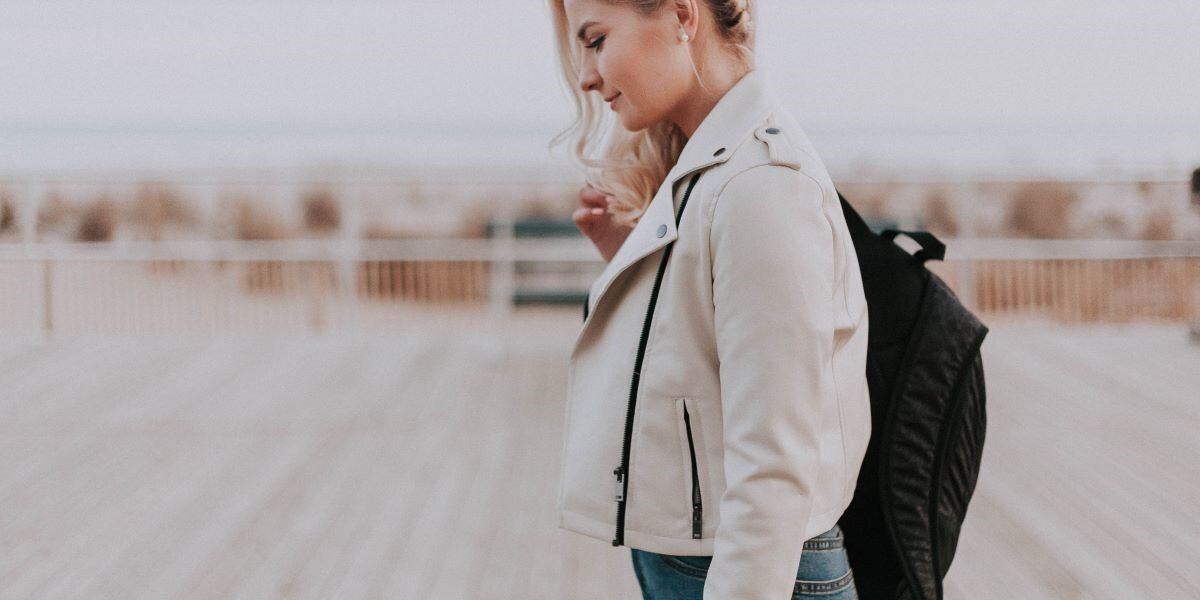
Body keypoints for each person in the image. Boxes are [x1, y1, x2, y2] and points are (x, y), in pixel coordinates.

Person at [550, 1, 871, 599]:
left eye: (595, 41)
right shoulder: (713, 166)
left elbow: (775, 465)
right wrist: (636, 261)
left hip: (753, 569)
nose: (587, 77)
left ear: (680, 15)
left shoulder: (760, 184)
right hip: (709, 562)